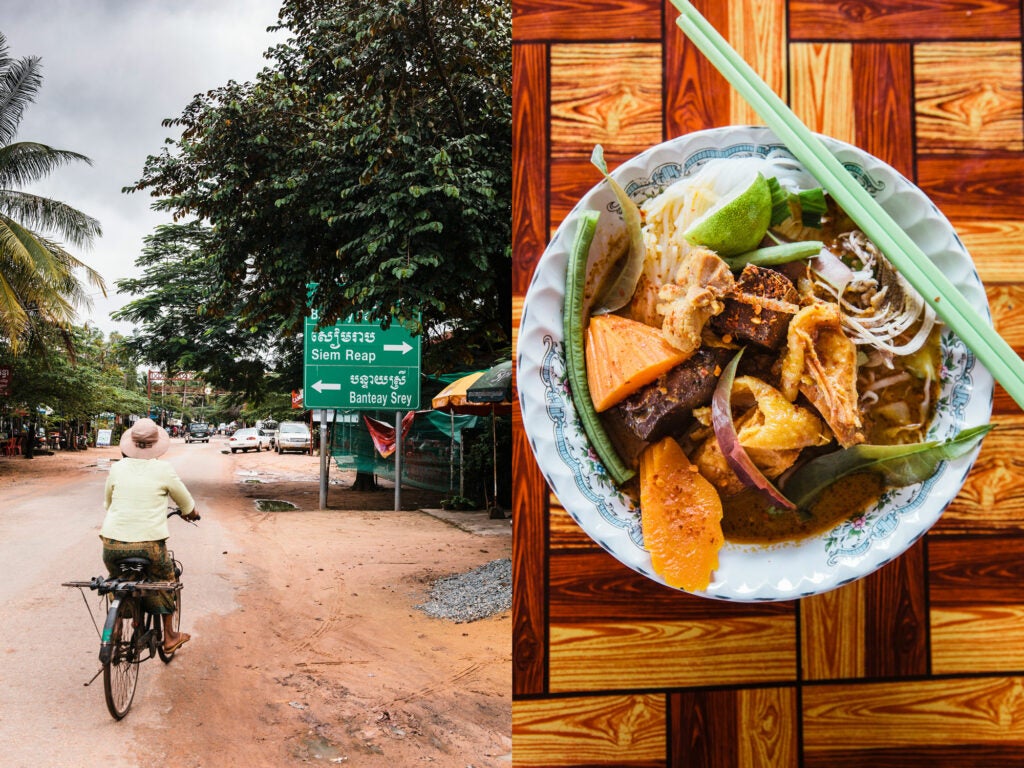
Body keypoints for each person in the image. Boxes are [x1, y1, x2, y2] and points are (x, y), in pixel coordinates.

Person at [100, 418, 199, 653]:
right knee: (165, 581)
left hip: (112, 545)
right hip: (149, 546)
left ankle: (115, 627)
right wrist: (191, 513)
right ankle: (170, 636)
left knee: (119, 580)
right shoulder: (163, 470)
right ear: (156, 444)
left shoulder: (117, 468)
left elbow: (108, 504)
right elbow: (186, 504)